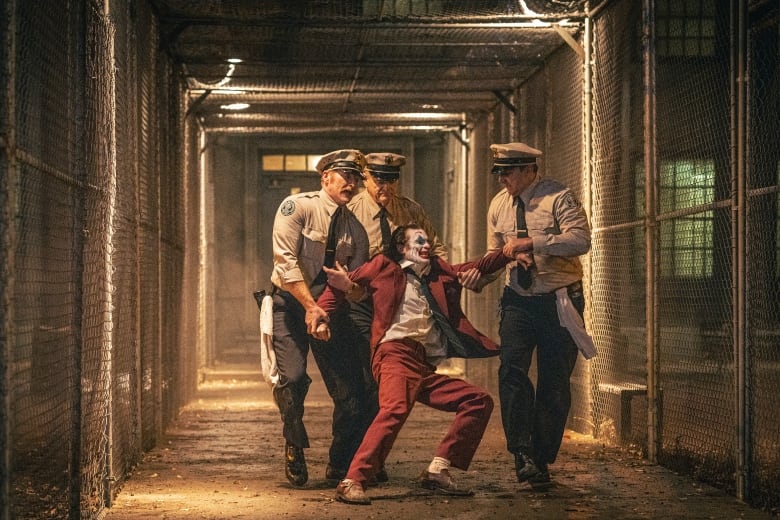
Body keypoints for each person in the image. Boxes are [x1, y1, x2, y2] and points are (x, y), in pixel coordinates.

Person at [315, 224, 518, 505]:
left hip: (422, 363)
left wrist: (509, 252)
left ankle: (438, 469)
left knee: (478, 401)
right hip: (394, 353)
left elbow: (478, 265)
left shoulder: (438, 271)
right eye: (419, 240)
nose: (427, 245)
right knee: (395, 408)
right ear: (402, 246)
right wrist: (321, 313)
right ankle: (352, 480)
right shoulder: (383, 266)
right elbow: (340, 284)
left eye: (429, 241)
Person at [477, 141, 592, 489]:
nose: (502, 180)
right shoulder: (499, 205)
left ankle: (541, 458)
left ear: (529, 170)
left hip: (559, 300)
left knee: (555, 383)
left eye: (508, 172)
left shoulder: (558, 197)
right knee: (511, 371)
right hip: (519, 300)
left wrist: (534, 244)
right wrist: (483, 274)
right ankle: (521, 453)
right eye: (498, 173)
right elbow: (496, 251)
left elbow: (581, 240)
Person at [269, 148, 376, 487]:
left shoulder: (355, 229)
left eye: (357, 177)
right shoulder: (298, 207)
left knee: (350, 393)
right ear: (325, 177)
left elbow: (356, 282)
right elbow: (285, 263)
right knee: (293, 378)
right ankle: (294, 445)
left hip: (329, 309)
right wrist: (310, 307)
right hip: (289, 303)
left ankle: (339, 463)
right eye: (346, 176)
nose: (352, 183)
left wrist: (343, 299)